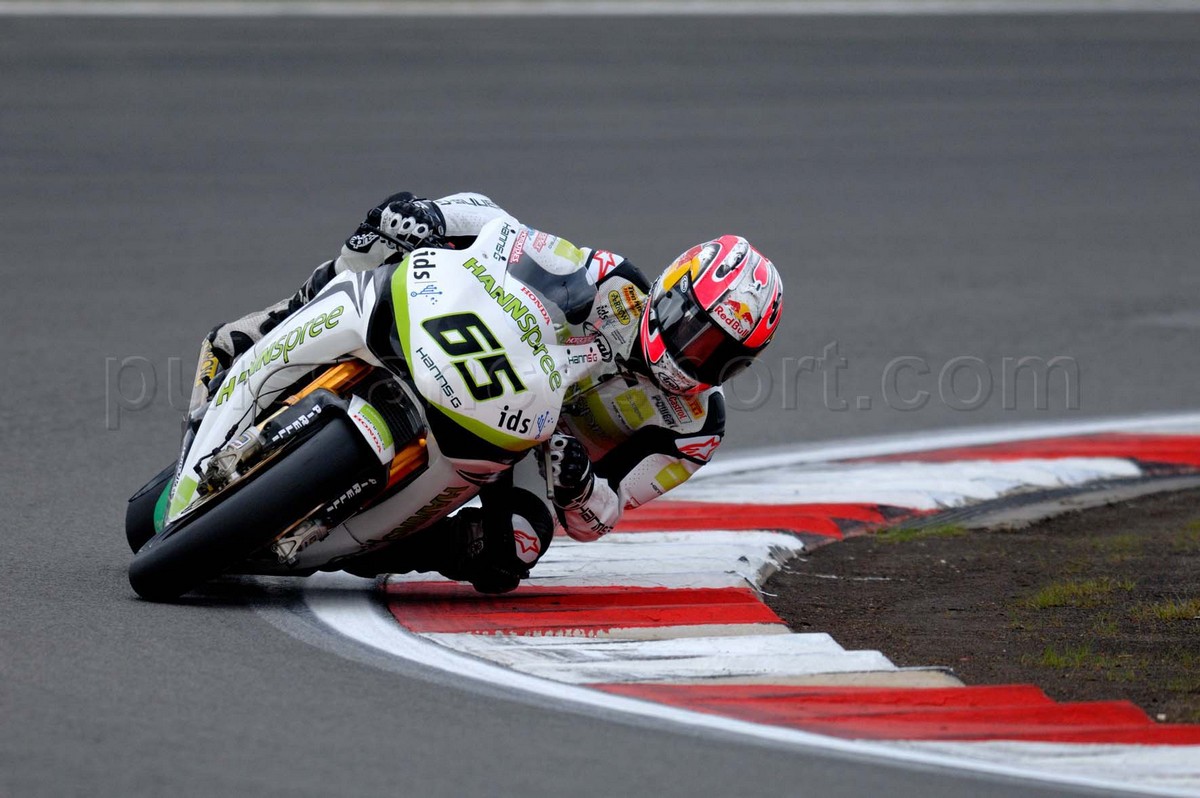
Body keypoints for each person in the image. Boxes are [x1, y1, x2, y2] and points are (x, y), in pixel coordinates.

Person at [189, 192, 783, 593]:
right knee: (381, 237)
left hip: (533, 452)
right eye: (696, 332)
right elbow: (509, 237)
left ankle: (359, 546)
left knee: (513, 550)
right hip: (486, 367)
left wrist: (580, 486)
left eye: (721, 355)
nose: (696, 356)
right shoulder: (612, 282)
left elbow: (603, 517)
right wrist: (434, 219)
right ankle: (277, 324)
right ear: (674, 294)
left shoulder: (695, 430)